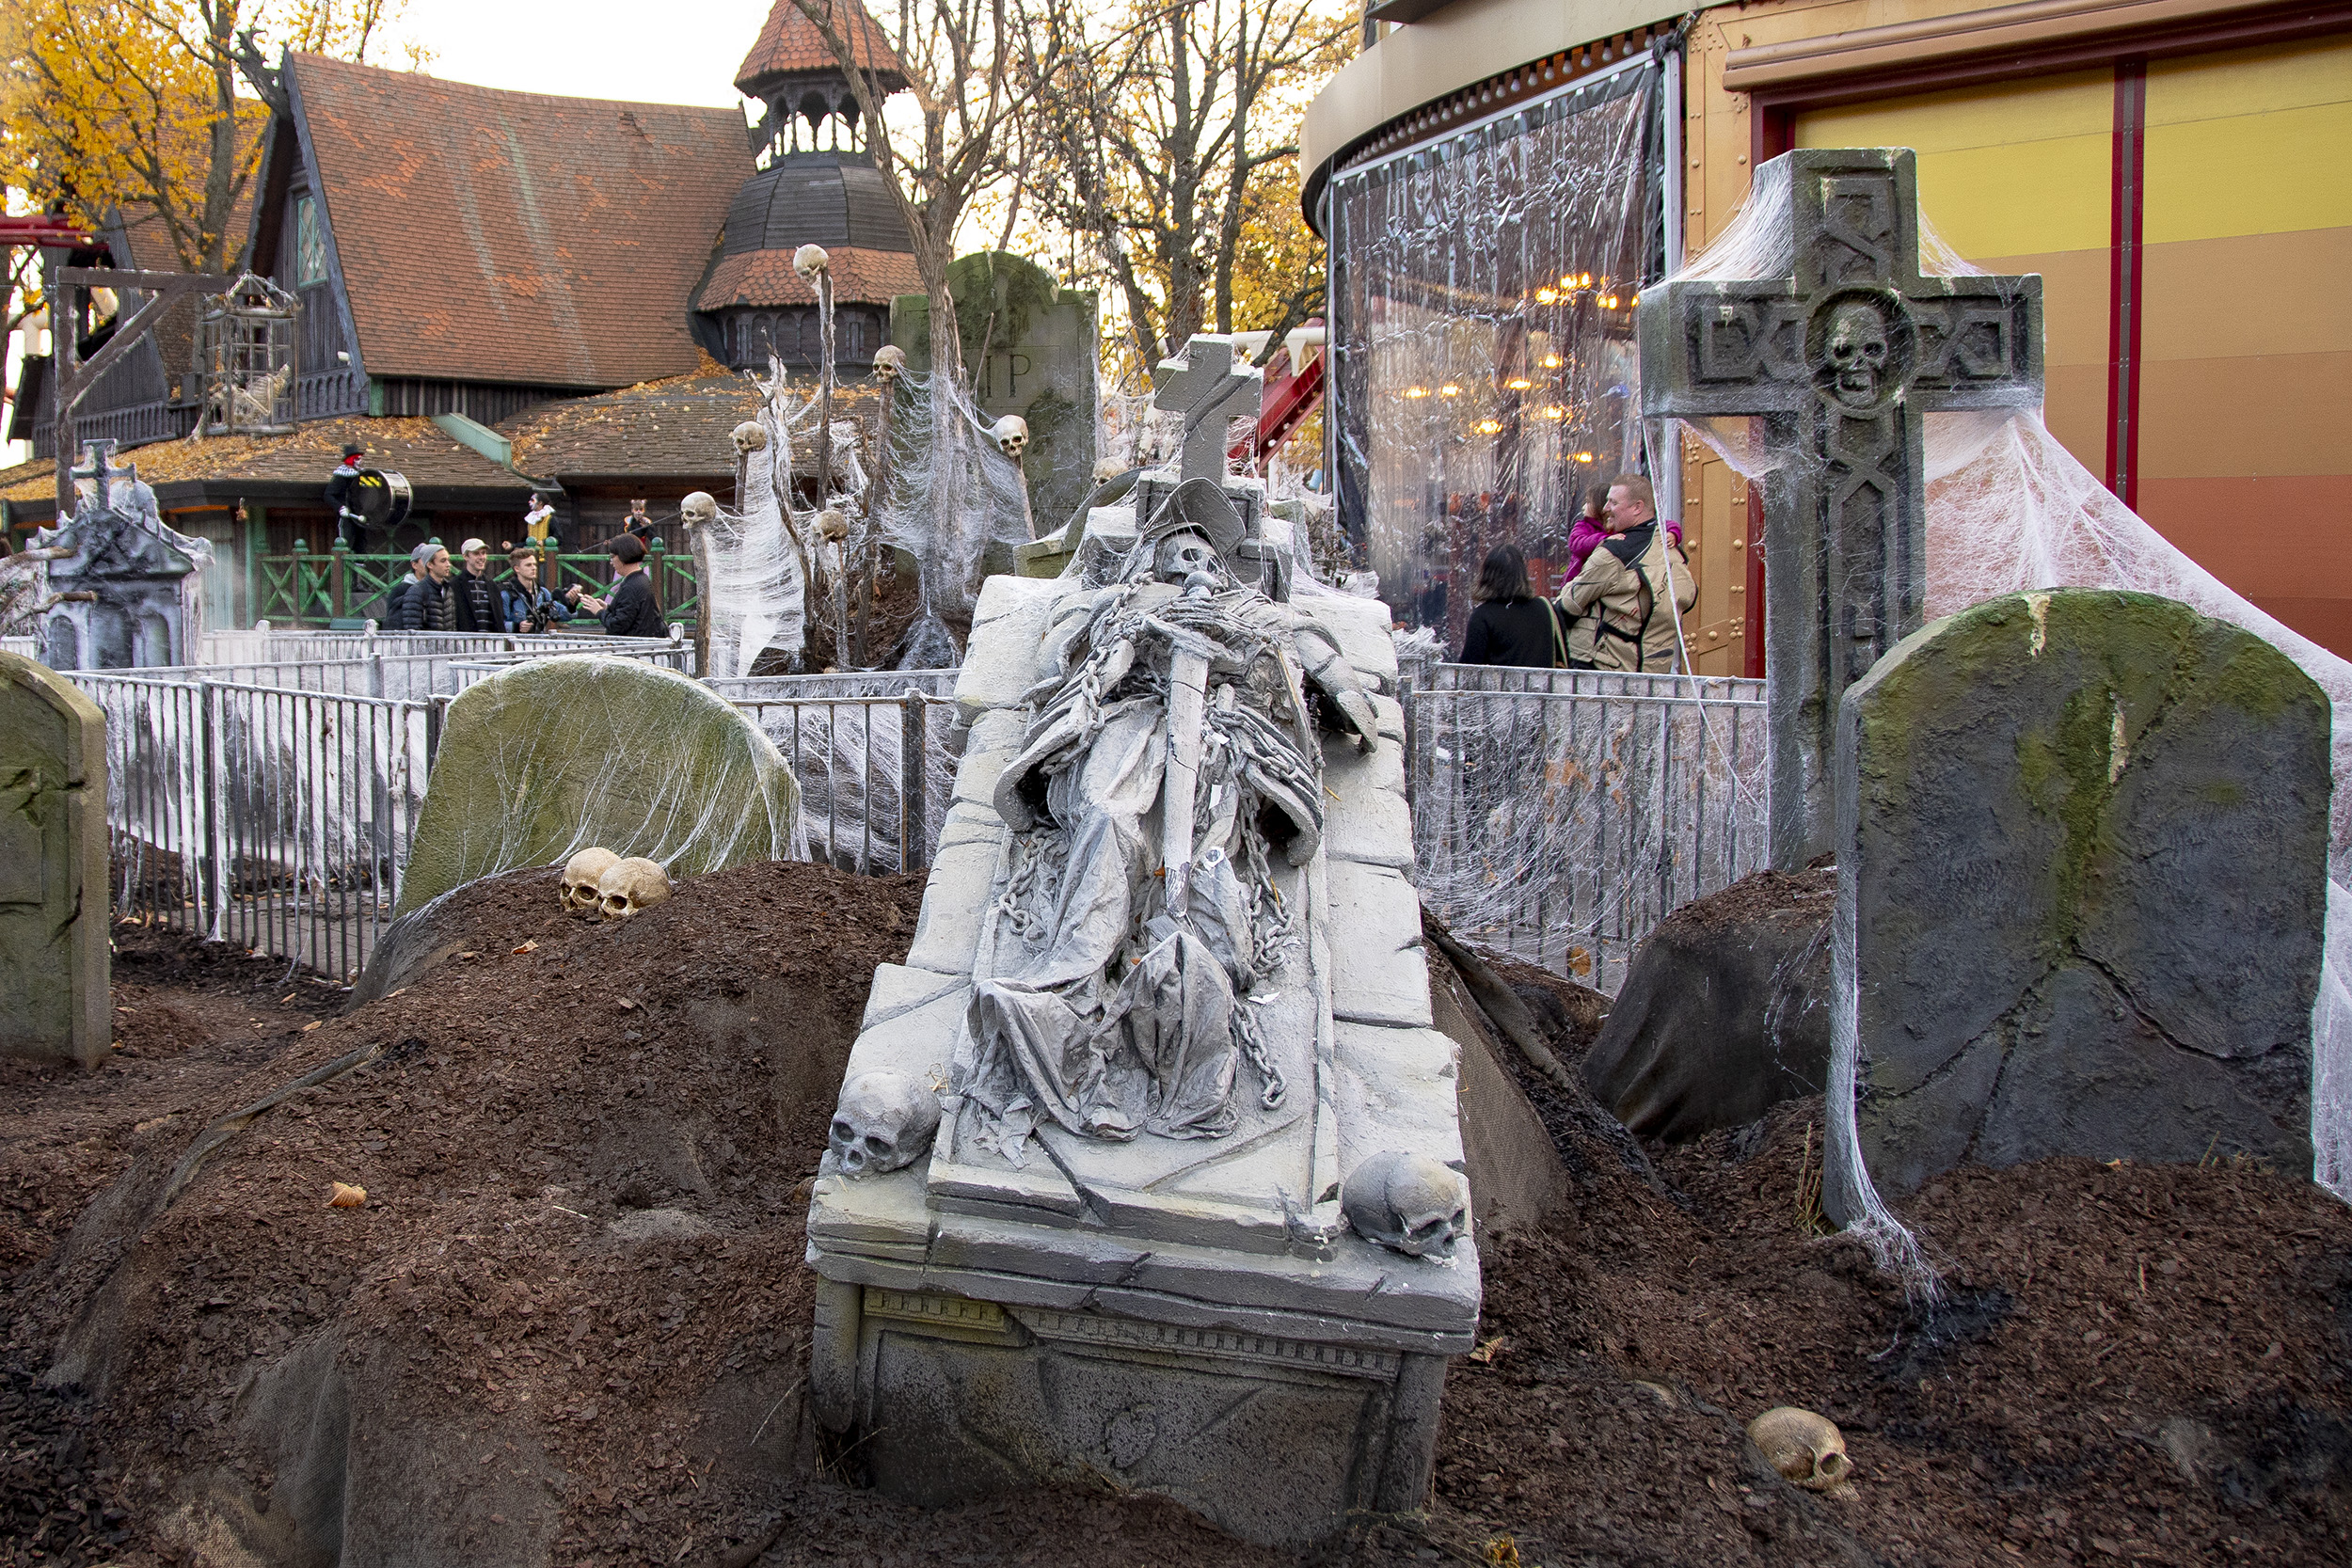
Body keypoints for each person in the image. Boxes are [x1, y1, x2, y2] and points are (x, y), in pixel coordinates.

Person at [1557, 475, 1696, 673]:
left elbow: (1568, 606)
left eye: (1613, 502)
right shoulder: (1672, 551)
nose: (1605, 508)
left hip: (1603, 670)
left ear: (1637, 508)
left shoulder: (1614, 552)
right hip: (1654, 670)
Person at [1458, 544, 1559, 667]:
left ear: (1486, 577)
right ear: (1522, 574)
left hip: (1499, 686)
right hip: (1543, 685)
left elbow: (1468, 670)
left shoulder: (1483, 616)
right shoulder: (1545, 608)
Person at [571, 534, 664, 638]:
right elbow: (631, 613)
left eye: (612, 557)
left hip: (636, 646)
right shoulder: (641, 578)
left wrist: (599, 611)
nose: (611, 562)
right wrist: (607, 608)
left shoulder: (632, 586)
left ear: (624, 556)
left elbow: (617, 626)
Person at [499, 546, 572, 633]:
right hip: (517, 642)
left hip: (539, 641)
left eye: (534, 564)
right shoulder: (507, 594)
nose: (534, 568)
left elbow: (567, 616)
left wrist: (571, 604)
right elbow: (499, 624)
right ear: (517, 568)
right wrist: (517, 626)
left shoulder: (543, 592)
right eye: (528, 565)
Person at [391, 543, 456, 631]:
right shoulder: (416, 591)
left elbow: (451, 625)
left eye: (448, 560)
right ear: (430, 564)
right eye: (443, 561)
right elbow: (413, 630)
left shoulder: (448, 589)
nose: (448, 564)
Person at [451, 537, 508, 633]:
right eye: (476, 553)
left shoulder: (491, 585)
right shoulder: (455, 585)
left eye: (484, 553)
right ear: (465, 556)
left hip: (490, 643)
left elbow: (499, 620)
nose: (482, 557)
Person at [325, 442, 369, 550]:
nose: (360, 461)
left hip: (359, 515)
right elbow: (328, 495)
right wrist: (341, 507)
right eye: (357, 458)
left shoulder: (361, 476)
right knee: (345, 542)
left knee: (361, 542)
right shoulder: (341, 477)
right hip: (347, 517)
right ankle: (343, 566)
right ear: (351, 459)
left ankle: (359, 563)